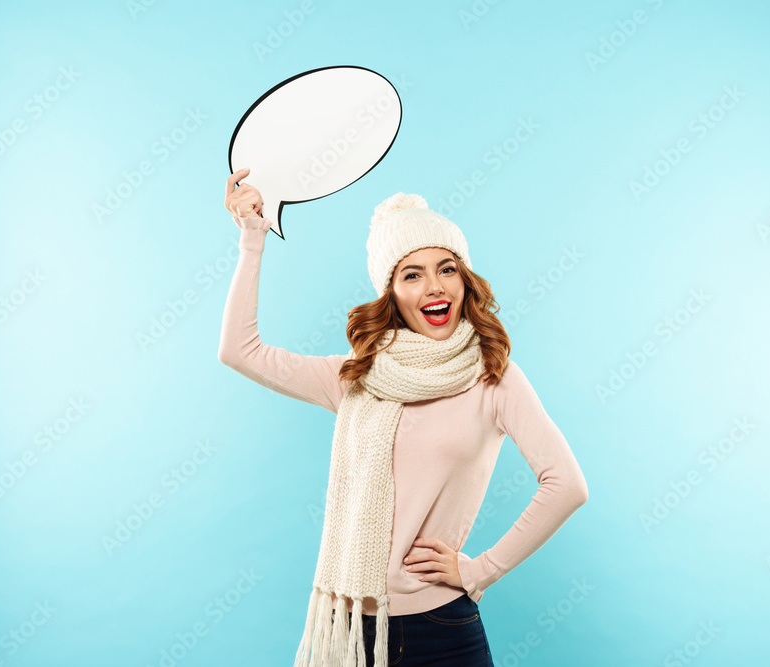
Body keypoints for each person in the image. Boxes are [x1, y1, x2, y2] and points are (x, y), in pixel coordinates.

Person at [218, 167, 589, 666]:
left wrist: (480, 570)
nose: (434, 287)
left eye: (447, 268)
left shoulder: (495, 376)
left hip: (441, 629)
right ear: (391, 292)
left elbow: (566, 484)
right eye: (412, 275)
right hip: (348, 629)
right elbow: (239, 351)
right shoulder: (357, 377)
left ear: (465, 278)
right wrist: (251, 241)